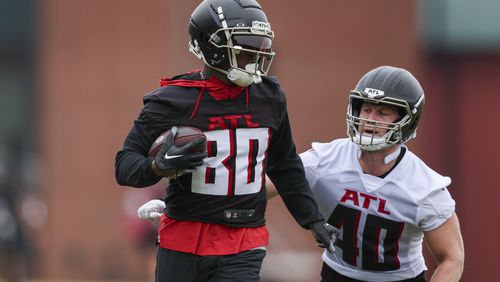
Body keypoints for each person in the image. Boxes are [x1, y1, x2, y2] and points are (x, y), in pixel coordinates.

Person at [115, 0, 337, 281]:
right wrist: (157, 167)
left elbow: (284, 165)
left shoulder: (269, 96)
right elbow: (124, 165)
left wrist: (313, 219)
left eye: (259, 47)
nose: (255, 56)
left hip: (243, 240)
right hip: (184, 239)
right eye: (245, 46)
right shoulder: (173, 100)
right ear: (211, 46)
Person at [267, 65, 463, 281]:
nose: (370, 118)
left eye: (383, 112)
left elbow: (452, 257)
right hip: (337, 275)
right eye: (366, 109)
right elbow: (262, 186)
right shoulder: (325, 160)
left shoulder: (424, 187)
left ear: (406, 120)